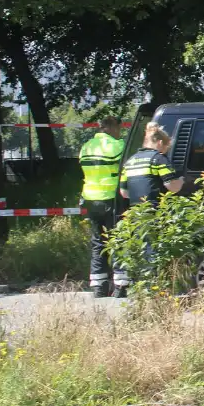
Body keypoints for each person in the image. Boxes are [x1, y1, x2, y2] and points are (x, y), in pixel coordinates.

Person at [116, 122, 184, 297]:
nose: (166, 150)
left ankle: (138, 286)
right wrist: (181, 181)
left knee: (139, 247)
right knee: (153, 249)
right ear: (160, 143)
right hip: (154, 210)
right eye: (167, 146)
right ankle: (153, 288)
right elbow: (172, 186)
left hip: (135, 212)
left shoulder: (130, 161)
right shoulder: (158, 159)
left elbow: (123, 192)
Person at [79, 116, 126, 298]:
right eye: (119, 129)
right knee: (117, 240)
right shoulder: (117, 146)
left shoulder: (86, 147)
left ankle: (99, 286)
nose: (119, 133)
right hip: (110, 198)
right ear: (112, 127)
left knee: (98, 242)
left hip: (91, 198)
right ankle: (121, 285)